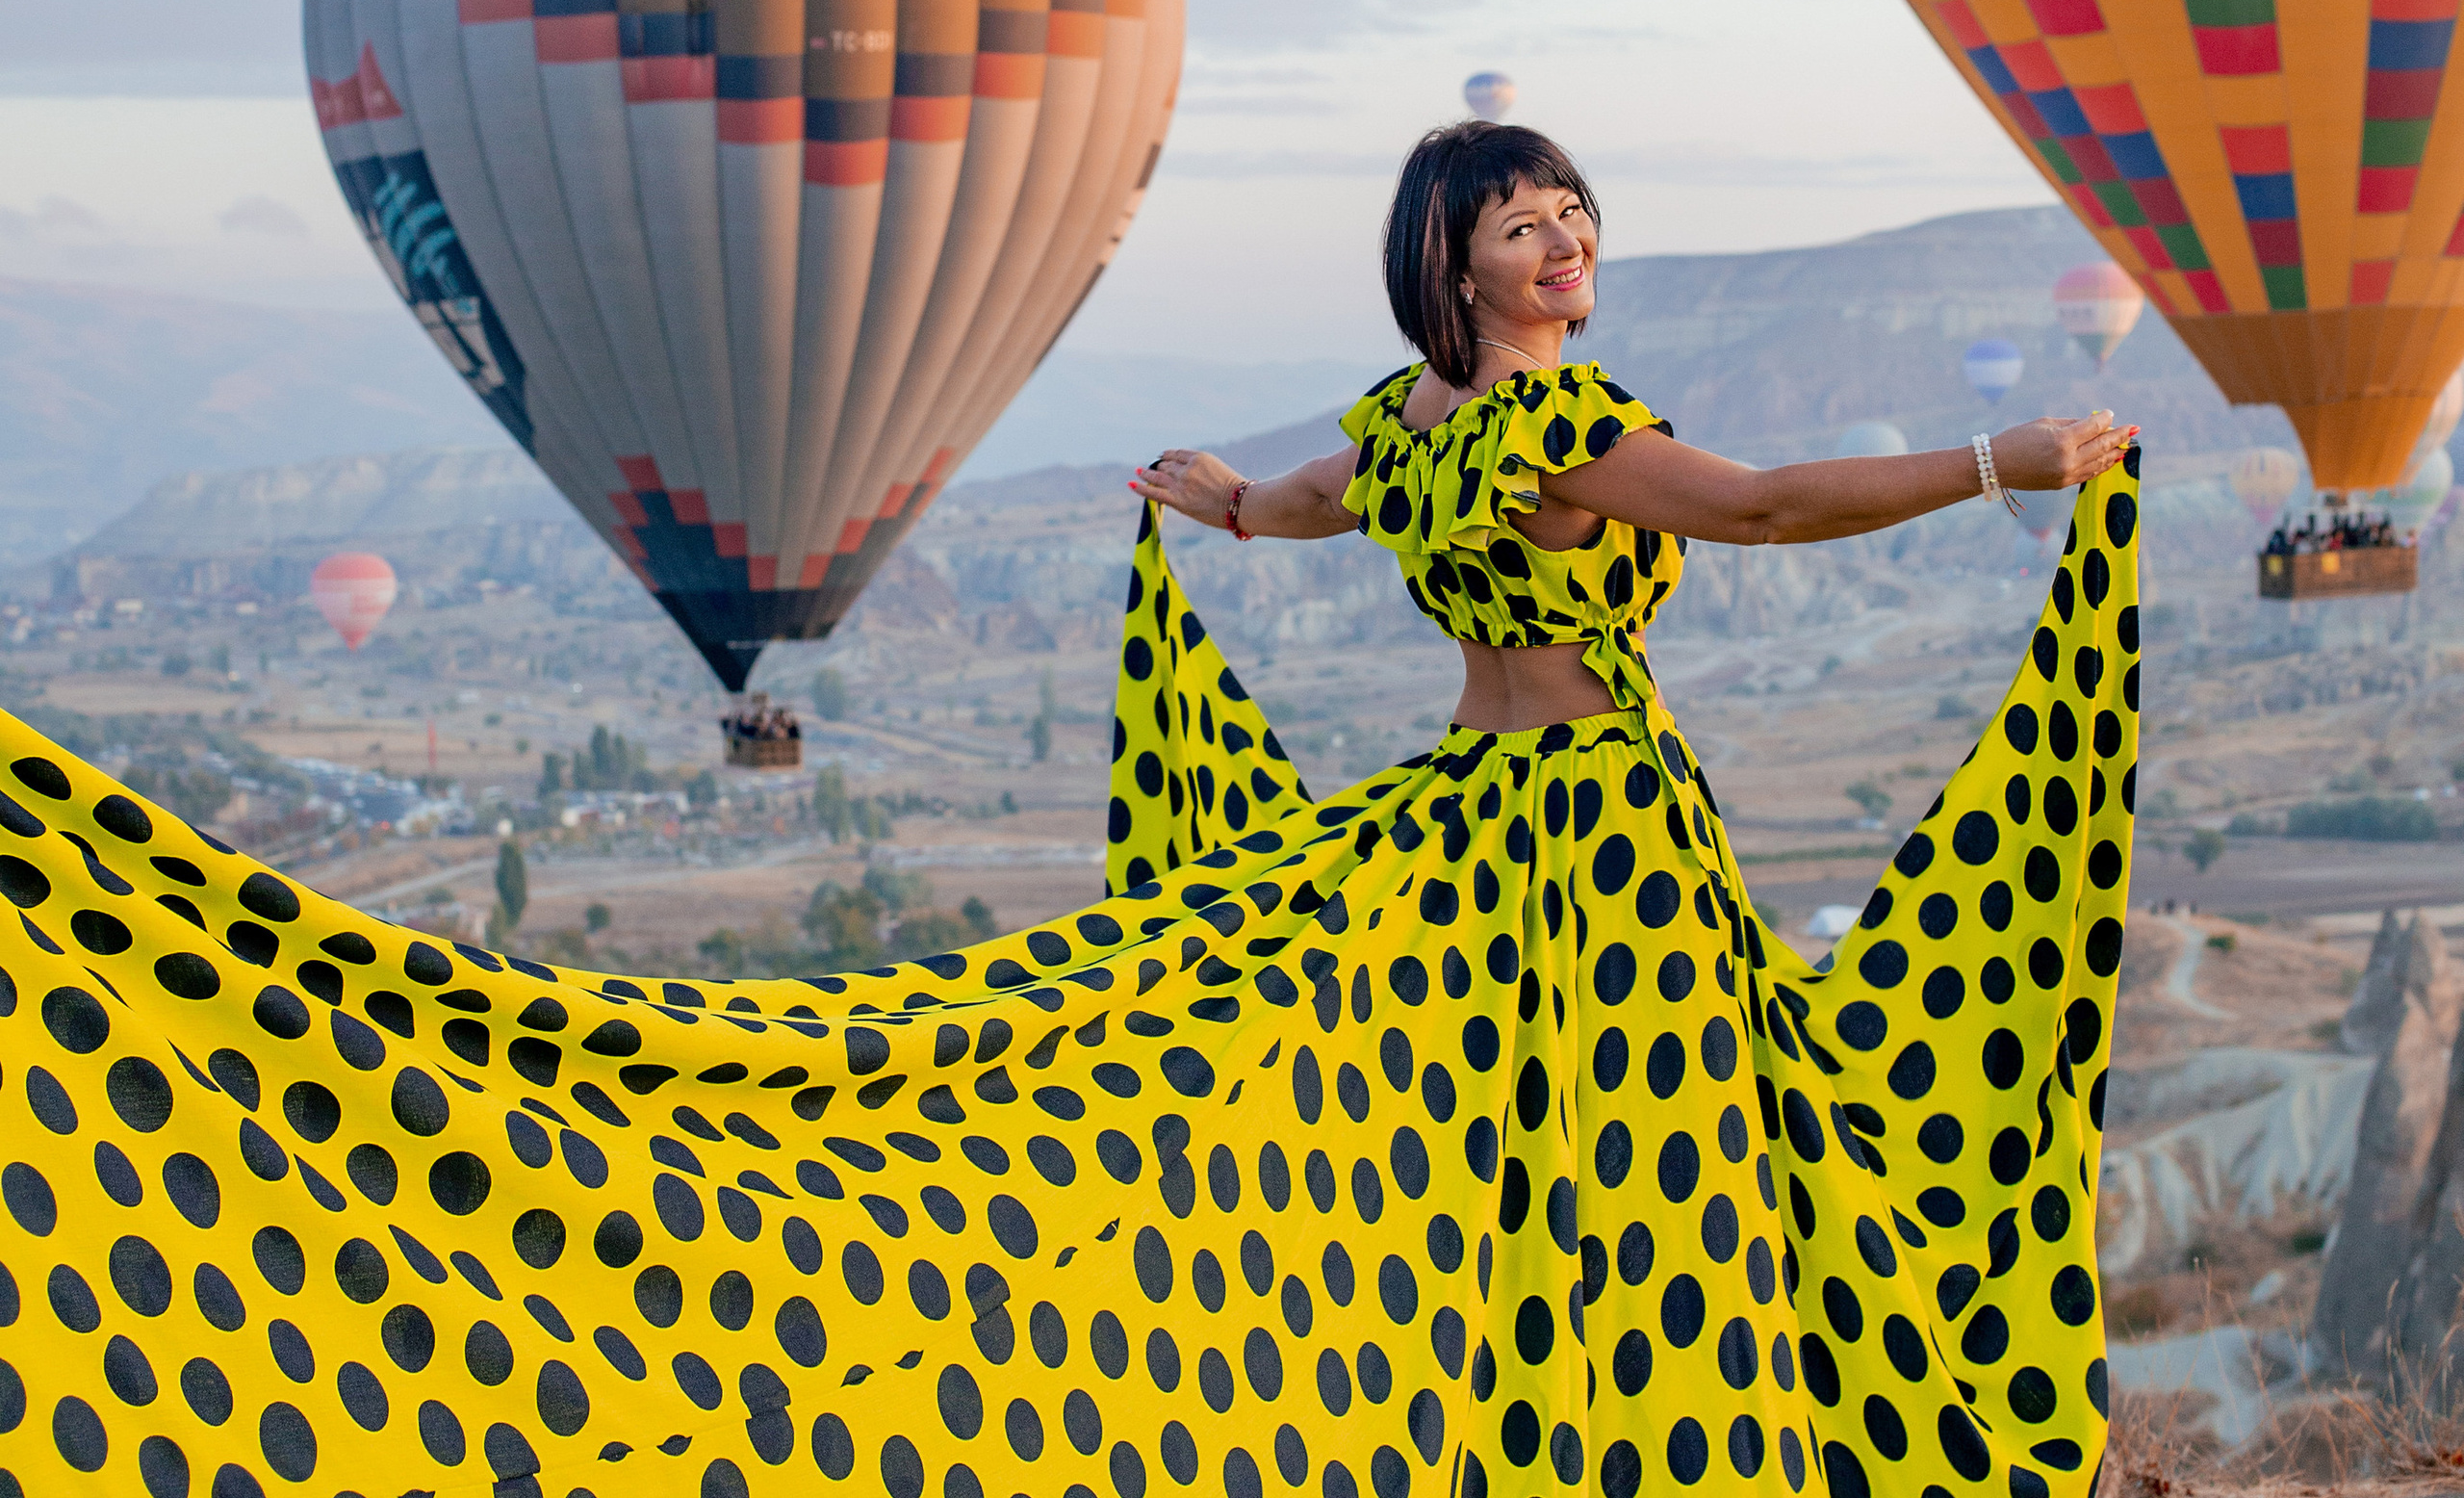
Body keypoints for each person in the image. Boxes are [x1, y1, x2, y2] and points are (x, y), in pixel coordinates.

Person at [0, 122, 2140, 1498]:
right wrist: (1999, 465)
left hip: (1453, 826)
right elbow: (1758, 506)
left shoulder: (1410, 426)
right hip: (1596, 840)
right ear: (1453, 261)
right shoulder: (1557, 427)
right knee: (1645, 1176)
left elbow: (1305, 506)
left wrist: (1219, 501)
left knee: (1441, 1160)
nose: (1567, 241)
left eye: (1575, 213)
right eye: (1525, 223)